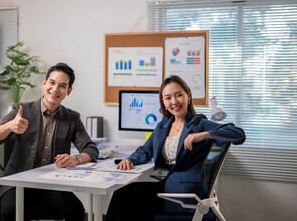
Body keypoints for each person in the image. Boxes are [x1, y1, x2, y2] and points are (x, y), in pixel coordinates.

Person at [105, 75, 245, 221]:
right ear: (163, 102)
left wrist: (202, 135)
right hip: (169, 186)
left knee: (125, 200)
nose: (174, 102)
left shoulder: (199, 124)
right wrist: (130, 160)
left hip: (186, 194)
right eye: (168, 98)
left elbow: (238, 134)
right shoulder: (163, 125)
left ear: (188, 96)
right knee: (123, 196)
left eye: (179, 95)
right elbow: (146, 149)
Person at [0, 62, 99, 221]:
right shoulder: (22, 110)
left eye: (62, 86)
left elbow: (91, 150)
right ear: (44, 83)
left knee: (75, 211)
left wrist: (76, 158)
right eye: (52, 83)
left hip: (51, 184)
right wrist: (9, 126)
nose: (55, 89)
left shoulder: (72, 118)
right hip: (18, 182)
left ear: (69, 91)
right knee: (9, 213)